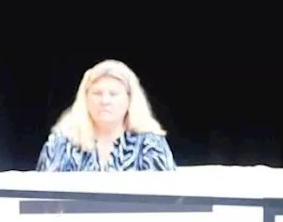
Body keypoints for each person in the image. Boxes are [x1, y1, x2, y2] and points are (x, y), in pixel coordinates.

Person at [36, 59, 177, 172]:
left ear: (130, 99)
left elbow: (167, 200)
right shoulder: (61, 143)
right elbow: (42, 200)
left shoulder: (150, 143)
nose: (105, 101)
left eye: (114, 94)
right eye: (97, 93)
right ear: (85, 98)